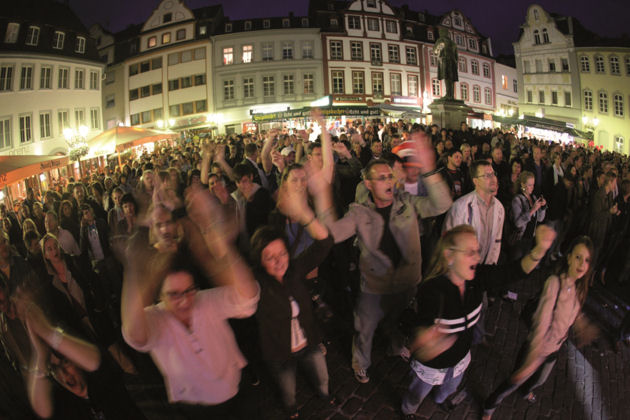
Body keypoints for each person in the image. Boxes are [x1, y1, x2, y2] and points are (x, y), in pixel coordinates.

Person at [318, 131, 453, 384]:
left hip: (407, 283)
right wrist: (322, 195)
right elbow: (333, 234)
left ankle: (394, 347)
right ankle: (361, 363)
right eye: (381, 178)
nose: (389, 181)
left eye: (390, 176)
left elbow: (442, 204)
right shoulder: (359, 212)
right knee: (364, 329)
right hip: (374, 287)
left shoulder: (407, 203)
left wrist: (430, 169)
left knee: (397, 321)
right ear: (368, 184)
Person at [121, 187, 260, 417]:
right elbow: (135, 332)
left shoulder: (192, 254)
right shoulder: (153, 304)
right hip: (191, 402)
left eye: (168, 222)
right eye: (158, 225)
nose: (165, 228)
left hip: (229, 370)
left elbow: (241, 292)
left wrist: (210, 229)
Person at [401, 224, 555, 419]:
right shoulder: (433, 290)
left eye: (477, 251)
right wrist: (423, 340)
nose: (476, 257)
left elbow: (513, 271)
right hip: (432, 366)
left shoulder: (477, 279)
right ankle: (408, 411)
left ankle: (439, 399)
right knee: (416, 395)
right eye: (470, 252)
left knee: (448, 389)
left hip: (460, 362)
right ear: (449, 255)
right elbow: (413, 325)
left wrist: (539, 250)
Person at [250, 167, 335, 419]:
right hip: (280, 353)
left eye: (282, 254)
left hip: (309, 342)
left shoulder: (295, 270)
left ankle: (325, 394)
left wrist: (305, 214)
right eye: (270, 257)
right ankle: (291, 408)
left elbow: (325, 243)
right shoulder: (257, 287)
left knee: (323, 376)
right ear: (259, 261)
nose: (278, 262)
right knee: (288, 389)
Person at [482, 237, 595, 419]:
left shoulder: (579, 287)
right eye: (578, 257)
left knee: (539, 380)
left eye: (587, 260)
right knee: (515, 380)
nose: (582, 264)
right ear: (568, 258)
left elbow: (574, 310)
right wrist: (532, 358)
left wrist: (582, 324)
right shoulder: (554, 284)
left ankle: (526, 391)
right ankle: (489, 406)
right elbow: (541, 323)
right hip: (537, 348)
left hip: (554, 348)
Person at [507, 171, 547, 261]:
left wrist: (543, 208)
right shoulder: (517, 199)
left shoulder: (533, 198)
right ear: (523, 185)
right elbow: (518, 223)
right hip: (519, 240)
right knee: (515, 265)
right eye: (530, 185)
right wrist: (532, 210)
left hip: (529, 238)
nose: (532, 188)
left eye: (533, 185)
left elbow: (540, 219)